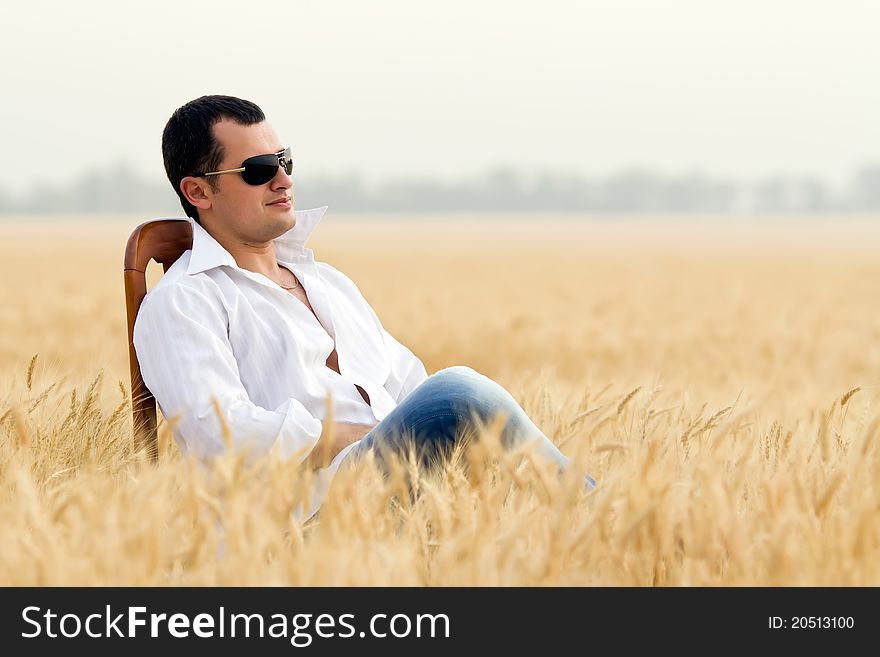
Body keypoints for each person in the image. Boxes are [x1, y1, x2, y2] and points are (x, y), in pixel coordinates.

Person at [134, 95, 596, 523]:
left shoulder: (329, 284)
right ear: (198, 192)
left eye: (285, 161)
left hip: (399, 493)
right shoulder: (183, 301)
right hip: (304, 522)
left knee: (466, 414)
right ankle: (606, 520)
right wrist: (361, 436)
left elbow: (411, 389)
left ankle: (601, 531)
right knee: (459, 392)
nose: (284, 180)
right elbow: (220, 434)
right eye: (257, 169)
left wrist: (421, 438)